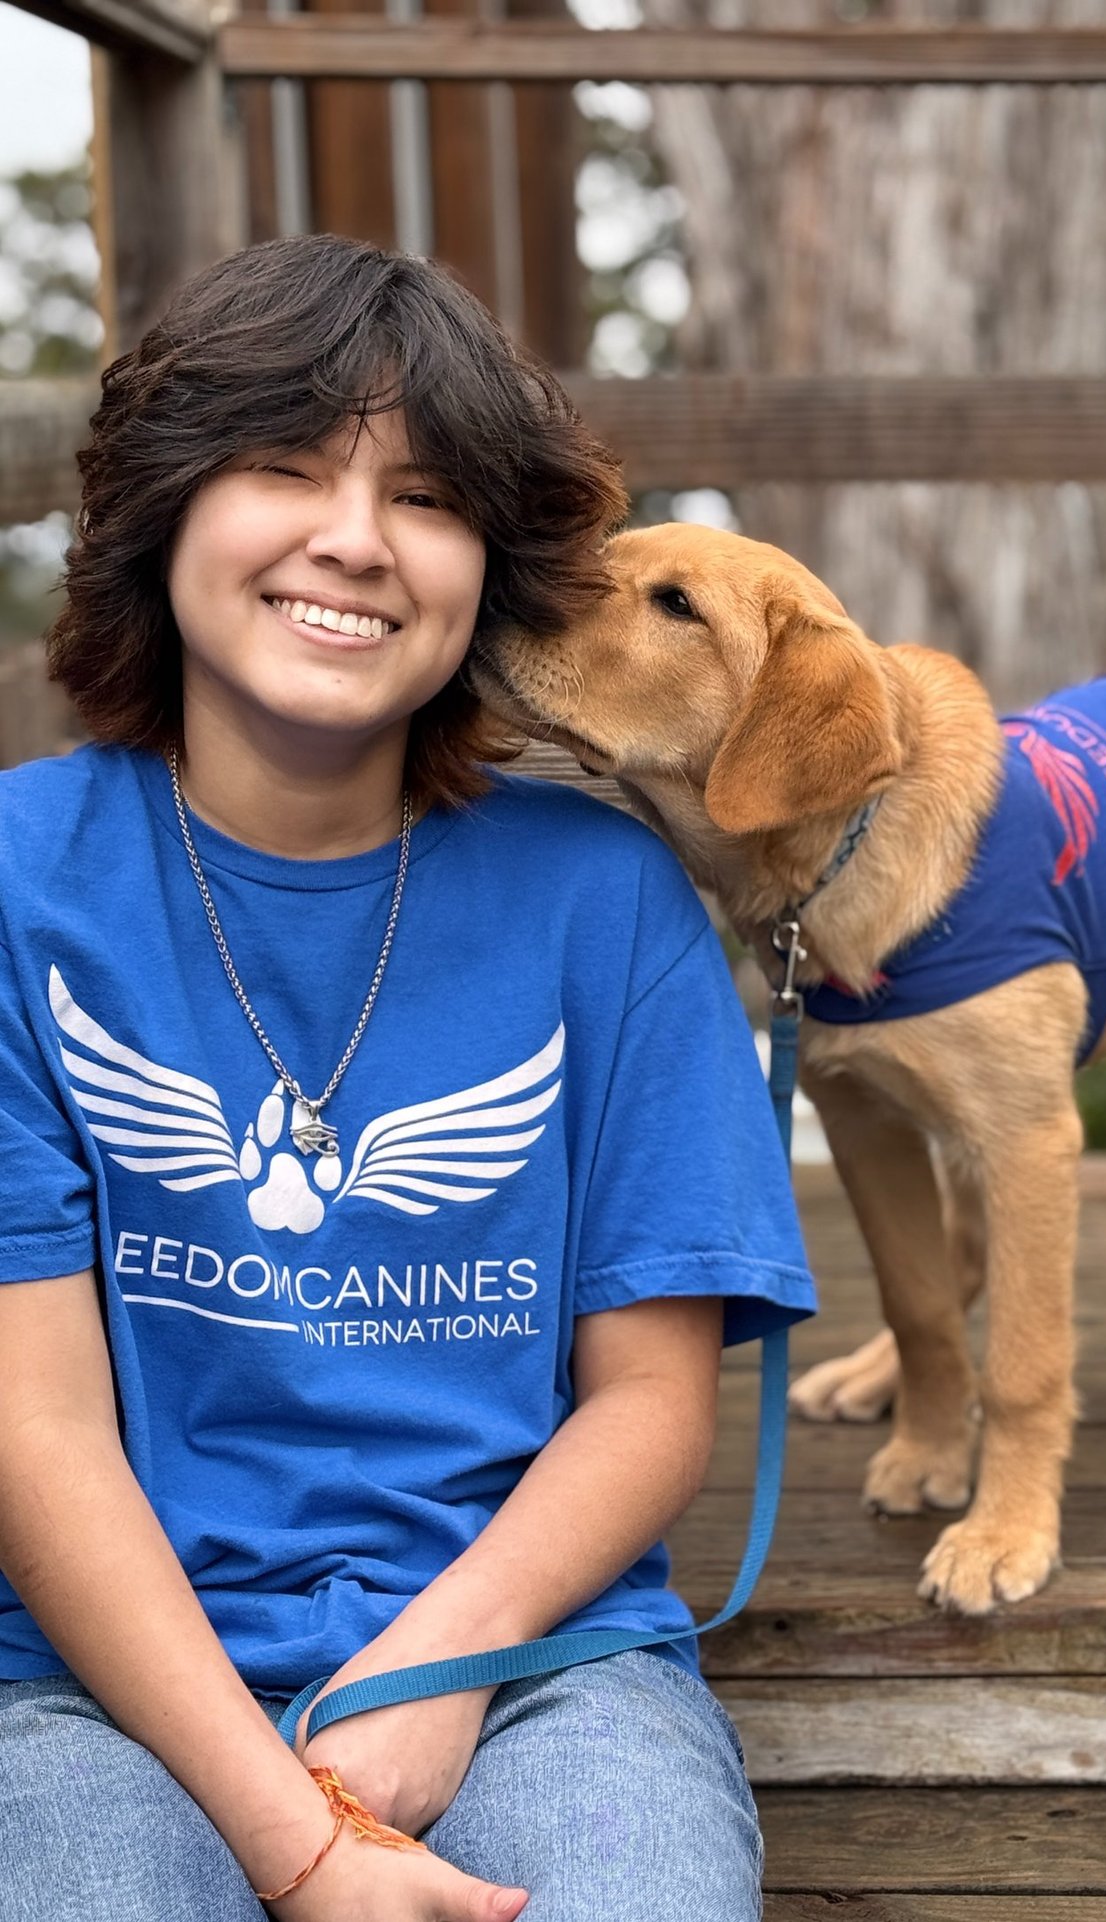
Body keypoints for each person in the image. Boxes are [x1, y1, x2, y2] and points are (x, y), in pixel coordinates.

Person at [0, 233, 815, 1922]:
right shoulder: (23, 887)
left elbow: (652, 1401)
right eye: (285, 469)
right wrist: (299, 1846)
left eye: (426, 499)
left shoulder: (609, 900)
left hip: (529, 1657)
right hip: (89, 1674)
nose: (353, 542)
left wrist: (422, 1683)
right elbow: (38, 1426)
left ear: (491, 570)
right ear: (163, 515)